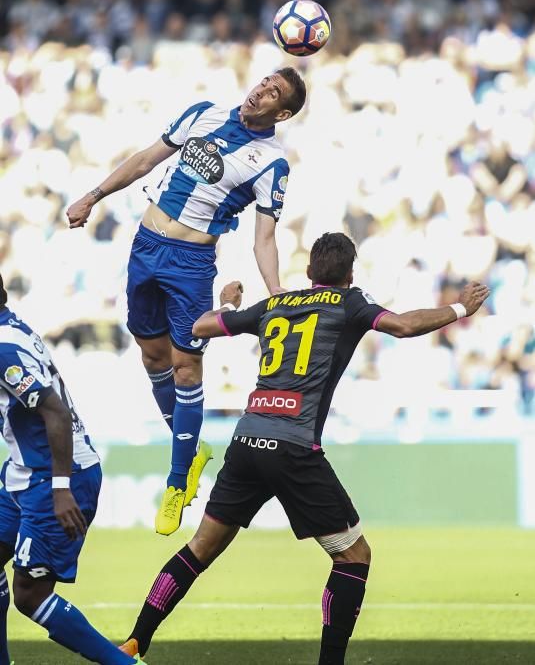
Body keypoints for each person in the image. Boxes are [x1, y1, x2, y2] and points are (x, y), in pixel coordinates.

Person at [118, 232, 490, 664]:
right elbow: (404, 326)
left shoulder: (277, 304)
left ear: (310, 271)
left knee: (200, 547)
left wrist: (230, 305)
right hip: (293, 447)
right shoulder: (351, 303)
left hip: (247, 439)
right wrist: (462, 306)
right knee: (354, 556)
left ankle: (134, 643)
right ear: (350, 275)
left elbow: (200, 327)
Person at [66, 68, 306, 536]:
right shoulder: (204, 113)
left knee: (185, 367)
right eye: (265, 81)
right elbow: (144, 161)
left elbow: (264, 237)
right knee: (150, 353)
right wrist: (94, 195)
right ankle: (190, 449)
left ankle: (178, 483)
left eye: (274, 92)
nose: (261, 89)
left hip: (191, 262)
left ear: (283, 113)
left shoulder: (270, 163)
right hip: (145, 246)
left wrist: (276, 294)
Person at [0, 274, 145, 664]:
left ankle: (123, 664)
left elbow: (55, 412)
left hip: (56, 476)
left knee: (30, 596)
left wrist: (61, 488)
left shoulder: (3, 348)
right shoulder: (11, 325)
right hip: (23, 471)